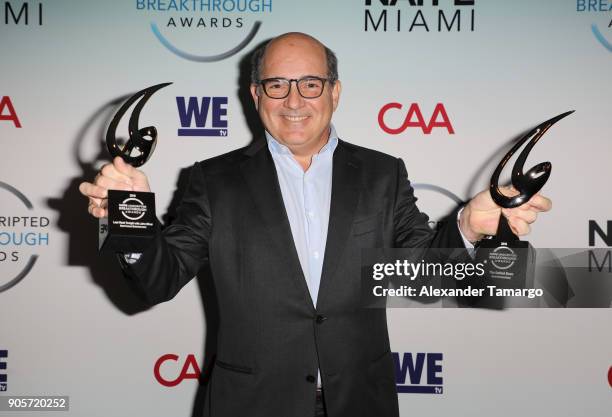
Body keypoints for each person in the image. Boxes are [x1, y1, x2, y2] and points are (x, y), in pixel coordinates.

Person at [79, 32, 551, 417]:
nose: (293, 100)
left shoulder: (382, 173)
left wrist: (469, 228)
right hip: (254, 405)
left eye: (310, 83)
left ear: (334, 91)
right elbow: (156, 282)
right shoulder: (213, 180)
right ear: (256, 94)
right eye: (277, 85)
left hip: (361, 402)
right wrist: (129, 220)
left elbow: (424, 278)